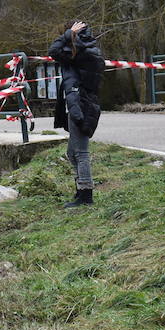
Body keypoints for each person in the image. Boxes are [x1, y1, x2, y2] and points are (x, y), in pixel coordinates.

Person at [49, 19, 105, 207]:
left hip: (82, 106)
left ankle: (86, 196)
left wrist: (68, 34)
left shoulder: (81, 53)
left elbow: (53, 51)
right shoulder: (87, 51)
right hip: (81, 104)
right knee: (72, 153)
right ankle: (81, 190)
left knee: (80, 153)